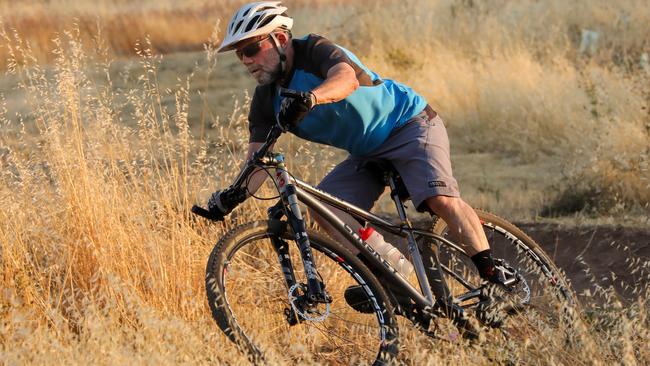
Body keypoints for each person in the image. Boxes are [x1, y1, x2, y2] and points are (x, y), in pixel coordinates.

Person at [207, 1, 507, 317]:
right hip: (366, 153)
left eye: (252, 48)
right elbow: (257, 162)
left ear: (280, 39)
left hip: (409, 124)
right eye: (241, 54)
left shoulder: (314, 50)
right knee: (327, 210)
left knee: (440, 200)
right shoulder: (266, 101)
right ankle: (388, 270)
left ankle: (497, 278)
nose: (247, 61)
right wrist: (232, 195)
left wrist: (312, 98)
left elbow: (346, 80)